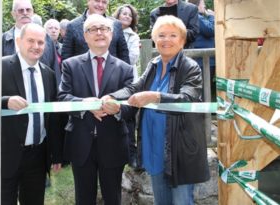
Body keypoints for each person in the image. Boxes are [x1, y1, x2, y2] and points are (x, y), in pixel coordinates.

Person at [102, 15, 210, 205]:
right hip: (154, 148)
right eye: (161, 35)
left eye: (172, 35)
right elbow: (133, 89)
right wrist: (112, 97)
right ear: (154, 39)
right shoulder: (153, 65)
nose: (166, 40)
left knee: (181, 202)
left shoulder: (190, 67)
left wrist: (155, 96)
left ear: (182, 40)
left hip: (179, 152)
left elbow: (187, 99)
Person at [58, 14, 135, 205]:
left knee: (113, 198)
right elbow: (62, 97)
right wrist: (86, 105)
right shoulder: (70, 65)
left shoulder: (126, 69)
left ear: (112, 34)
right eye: (93, 29)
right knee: (83, 198)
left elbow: (132, 104)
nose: (99, 33)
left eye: (104, 28)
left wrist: (115, 108)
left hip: (113, 143)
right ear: (85, 36)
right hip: (81, 143)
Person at [1, 23, 63, 205]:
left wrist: (56, 154)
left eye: (40, 42)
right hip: (7, 154)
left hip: (37, 155)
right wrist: (5, 101)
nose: (36, 46)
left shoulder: (49, 74)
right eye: (31, 41)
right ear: (19, 41)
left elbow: (53, 117)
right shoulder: (0, 67)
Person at [2, 0, 61, 86]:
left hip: (42, 91)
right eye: (21, 10)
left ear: (32, 12)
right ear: (13, 14)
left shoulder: (47, 39)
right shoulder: (3, 40)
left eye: (28, 10)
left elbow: (55, 70)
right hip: (13, 93)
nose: (25, 13)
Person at [112, 4, 140, 169]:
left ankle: (131, 154)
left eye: (130, 15)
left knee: (128, 117)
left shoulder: (133, 37)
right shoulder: (108, 30)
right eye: (123, 13)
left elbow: (132, 58)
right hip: (108, 81)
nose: (126, 16)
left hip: (127, 81)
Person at [61, 0, 130, 64]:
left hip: (112, 75)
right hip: (82, 75)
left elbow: (124, 55)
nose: (100, 5)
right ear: (88, 1)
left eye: (104, 2)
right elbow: (66, 58)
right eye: (97, 1)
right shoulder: (73, 26)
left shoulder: (116, 25)